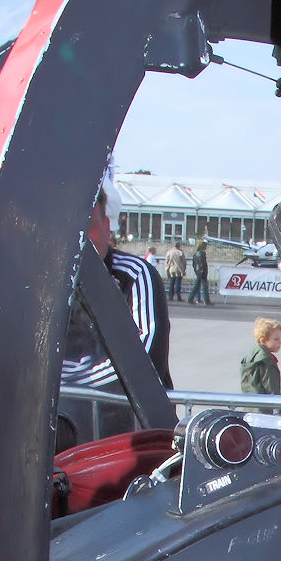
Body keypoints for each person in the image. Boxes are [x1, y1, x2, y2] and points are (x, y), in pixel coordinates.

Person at [59, 185, 173, 440]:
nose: (79, 238)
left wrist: (64, 388)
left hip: (128, 433)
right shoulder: (43, 283)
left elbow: (146, 358)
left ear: (107, 225)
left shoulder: (135, 274)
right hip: (63, 431)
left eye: (87, 223)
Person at [241, 318, 281, 396]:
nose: (280, 342)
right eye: (276, 339)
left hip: (250, 403)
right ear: (263, 341)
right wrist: (278, 406)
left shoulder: (252, 354)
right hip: (265, 406)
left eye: (280, 338)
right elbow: (272, 388)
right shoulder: (267, 361)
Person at [188, 237, 211, 307]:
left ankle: (190, 298)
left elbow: (194, 264)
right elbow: (202, 264)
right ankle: (207, 301)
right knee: (204, 287)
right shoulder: (202, 254)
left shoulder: (195, 254)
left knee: (197, 286)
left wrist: (196, 271)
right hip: (202, 272)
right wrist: (203, 271)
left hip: (198, 272)